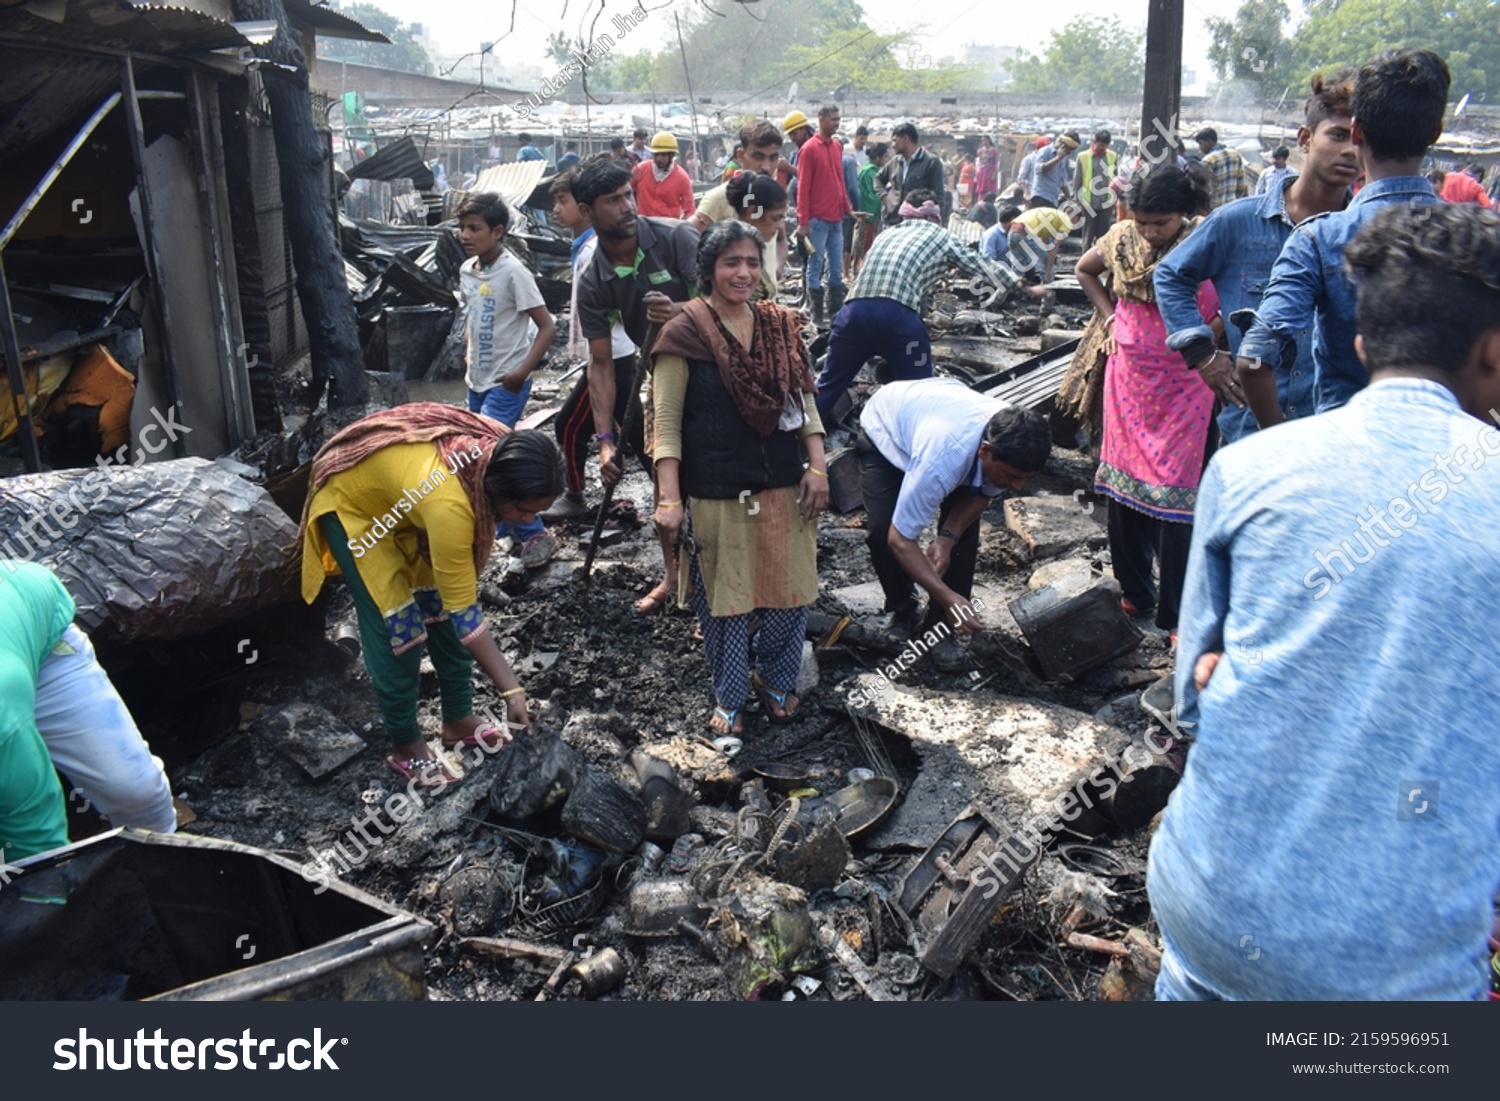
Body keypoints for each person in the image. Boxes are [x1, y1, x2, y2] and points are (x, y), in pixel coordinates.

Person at [1148, 201, 1500, 1001]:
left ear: (1365, 345)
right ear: (1492, 348)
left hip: (1209, 910)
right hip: (1390, 958)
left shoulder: (1250, 470)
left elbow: (1192, 703)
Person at [299, 407, 564, 788]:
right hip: (356, 510)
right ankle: (406, 745)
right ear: (497, 491)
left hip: (407, 509)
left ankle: (457, 719)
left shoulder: (500, 454)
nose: (527, 522)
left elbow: (455, 608)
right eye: (523, 511)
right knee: (398, 629)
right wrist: (512, 690)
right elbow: (467, 616)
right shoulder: (451, 504)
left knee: (438, 610)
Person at [649, 221, 829, 735]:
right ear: (708, 271)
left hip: (783, 486)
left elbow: (805, 402)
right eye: (731, 262)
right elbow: (665, 422)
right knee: (725, 602)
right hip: (718, 490)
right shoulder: (684, 333)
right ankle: (729, 696)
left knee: (788, 593)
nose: (744, 273)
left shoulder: (780, 326)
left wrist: (817, 466)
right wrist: (668, 499)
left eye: (753, 261)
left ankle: (776, 680)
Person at [1239, 48, 1450, 420]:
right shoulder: (1480, 237)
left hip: (1343, 450)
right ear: (1436, 132)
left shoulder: (1318, 239)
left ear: (1356, 132)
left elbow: (1254, 356)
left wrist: (1279, 441)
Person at [1157, 72, 1357, 444]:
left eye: (1361, 140)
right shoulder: (1238, 222)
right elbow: (1171, 275)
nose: (1351, 150)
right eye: (1337, 135)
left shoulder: (1366, 235)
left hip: (1332, 434)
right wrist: (1203, 354)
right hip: (1249, 429)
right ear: (1305, 138)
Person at [1075, 166, 1221, 637]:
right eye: (1143, 222)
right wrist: (1111, 319)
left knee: (1179, 493)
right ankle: (1136, 591)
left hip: (1186, 382)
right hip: (1130, 378)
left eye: (1161, 223)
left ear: (1185, 212)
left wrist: (1208, 341)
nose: (1150, 232)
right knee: (1124, 482)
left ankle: (1176, 613)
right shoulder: (1119, 238)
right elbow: (1085, 270)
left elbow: (1229, 302)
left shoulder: (1207, 240)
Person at [572, 159, 700, 615]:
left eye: (629, 194)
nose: (627, 206)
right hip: (659, 388)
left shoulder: (675, 237)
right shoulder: (593, 281)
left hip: (715, 380)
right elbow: (601, 364)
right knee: (664, 488)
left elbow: (732, 304)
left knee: (713, 491)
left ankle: (718, 592)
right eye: (613, 200)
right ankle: (674, 576)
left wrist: (684, 311)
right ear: (587, 211)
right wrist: (605, 442)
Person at [856, 379, 1051, 664]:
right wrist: (945, 593)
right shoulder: (943, 460)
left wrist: (947, 539)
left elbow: (982, 494)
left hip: (941, 419)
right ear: (985, 451)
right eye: (1011, 476)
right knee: (884, 528)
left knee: (962, 536)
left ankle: (940, 626)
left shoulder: (1014, 439)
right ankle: (903, 608)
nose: (1018, 486)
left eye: (1025, 478)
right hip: (888, 428)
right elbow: (900, 539)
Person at [0, 561, 177, 862]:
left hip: (41, 634)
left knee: (133, 791)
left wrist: (45, 896)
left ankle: (165, 865)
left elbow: (34, 833)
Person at [815, 198, 1048, 424]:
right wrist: (1024, 286)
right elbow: (980, 264)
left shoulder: (886, 234)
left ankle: (797, 447)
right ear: (934, 218)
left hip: (852, 313)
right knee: (923, 393)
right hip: (897, 320)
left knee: (828, 385)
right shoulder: (941, 236)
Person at [456, 192, 558, 565]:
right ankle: (501, 529)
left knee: (491, 457)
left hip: (507, 381)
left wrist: (520, 372)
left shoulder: (515, 272)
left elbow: (547, 327)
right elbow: (474, 314)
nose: (465, 235)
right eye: (462, 227)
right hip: (477, 379)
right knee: (482, 455)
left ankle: (534, 533)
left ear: (497, 231)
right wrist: (469, 353)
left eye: (474, 228)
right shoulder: (470, 270)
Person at [549, 167, 640, 522]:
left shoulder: (593, 251)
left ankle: (573, 497)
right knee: (634, 430)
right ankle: (673, 491)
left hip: (609, 355)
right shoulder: (586, 248)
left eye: (562, 201)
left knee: (569, 426)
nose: (556, 209)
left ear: (584, 208)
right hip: (612, 352)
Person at [795, 104, 852, 328]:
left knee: (836, 268)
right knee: (815, 265)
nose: (836, 123)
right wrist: (803, 221)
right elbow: (803, 188)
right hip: (817, 219)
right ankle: (817, 318)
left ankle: (835, 315)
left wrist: (847, 209)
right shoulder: (808, 150)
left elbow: (840, 181)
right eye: (833, 119)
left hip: (836, 218)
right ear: (821, 119)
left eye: (838, 119)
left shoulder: (837, 146)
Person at [877, 122, 949, 225]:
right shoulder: (895, 162)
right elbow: (878, 179)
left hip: (918, 223)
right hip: (894, 221)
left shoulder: (931, 162)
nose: (892, 145)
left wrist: (935, 221)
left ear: (905, 139)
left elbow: (938, 196)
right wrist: (884, 197)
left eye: (894, 141)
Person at [631, 132, 695, 220]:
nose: (658, 158)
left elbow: (689, 209)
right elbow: (626, 190)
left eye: (663, 155)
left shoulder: (682, 178)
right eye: (656, 155)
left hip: (667, 228)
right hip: (643, 225)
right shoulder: (640, 169)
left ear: (671, 155)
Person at [1072, 130, 1119, 250]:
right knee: (1087, 238)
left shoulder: (1112, 156)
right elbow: (1077, 181)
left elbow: (1116, 180)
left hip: (1106, 204)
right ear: (1094, 142)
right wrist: (1078, 203)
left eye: (1105, 146)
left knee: (1103, 239)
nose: (1102, 149)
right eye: (1100, 146)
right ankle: (1085, 264)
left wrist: (1115, 201)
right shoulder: (1082, 157)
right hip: (1088, 205)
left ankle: (1100, 265)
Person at [1008, 204, 1073, 282]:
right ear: (1076, 218)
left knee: (1017, 270)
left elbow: (1043, 241)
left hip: (1013, 230)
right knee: (1047, 268)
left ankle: (1011, 291)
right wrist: (1047, 272)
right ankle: (1048, 291)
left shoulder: (1055, 216)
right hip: (1025, 233)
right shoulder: (1067, 222)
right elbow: (1053, 248)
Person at [1192, 128, 1248, 209]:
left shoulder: (1208, 160)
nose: (1200, 148)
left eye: (1201, 143)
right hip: (1232, 207)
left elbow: (1203, 191)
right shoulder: (1236, 154)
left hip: (1215, 209)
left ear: (1208, 141)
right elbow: (1242, 187)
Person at [1028, 130, 1079, 210]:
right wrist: (1057, 158)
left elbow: (1062, 179)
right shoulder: (1045, 151)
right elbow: (1039, 170)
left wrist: (1068, 197)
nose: (1069, 152)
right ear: (1062, 144)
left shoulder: (1064, 158)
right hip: (1041, 197)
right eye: (1069, 149)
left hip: (1053, 199)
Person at [1015, 136, 1048, 201]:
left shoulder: (1047, 159)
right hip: (1032, 195)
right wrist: (1026, 192)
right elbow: (1021, 179)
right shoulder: (1029, 159)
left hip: (1045, 195)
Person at [974, 135, 1000, 204]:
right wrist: (978, 172)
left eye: (985, 140)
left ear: (989, 140)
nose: (984, 142)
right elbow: (979, 162)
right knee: (981, 190)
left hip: (990, 172)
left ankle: (989, 203)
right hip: (982, 173)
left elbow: (996, 163)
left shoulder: (994, 150)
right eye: (982, 140)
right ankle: (980, 203)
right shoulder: (980, 151)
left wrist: (994, 173)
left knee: (989, 190)